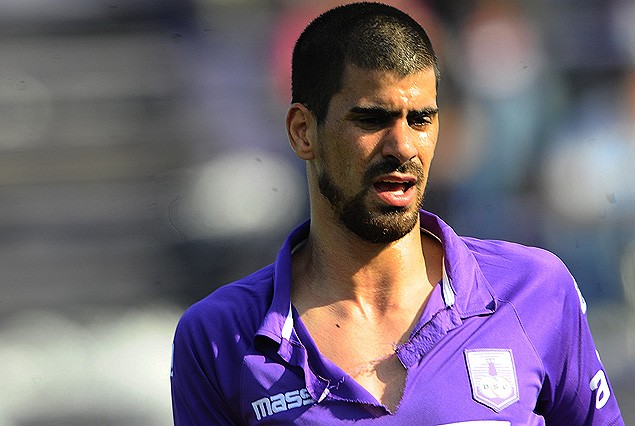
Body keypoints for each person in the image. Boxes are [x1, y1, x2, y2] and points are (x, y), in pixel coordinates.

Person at [170, 2, 625, 424]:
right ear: (303, 132)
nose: (403, 147)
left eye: (421, 119)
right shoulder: (217, 337)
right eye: (371, 119)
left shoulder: (536, 291)